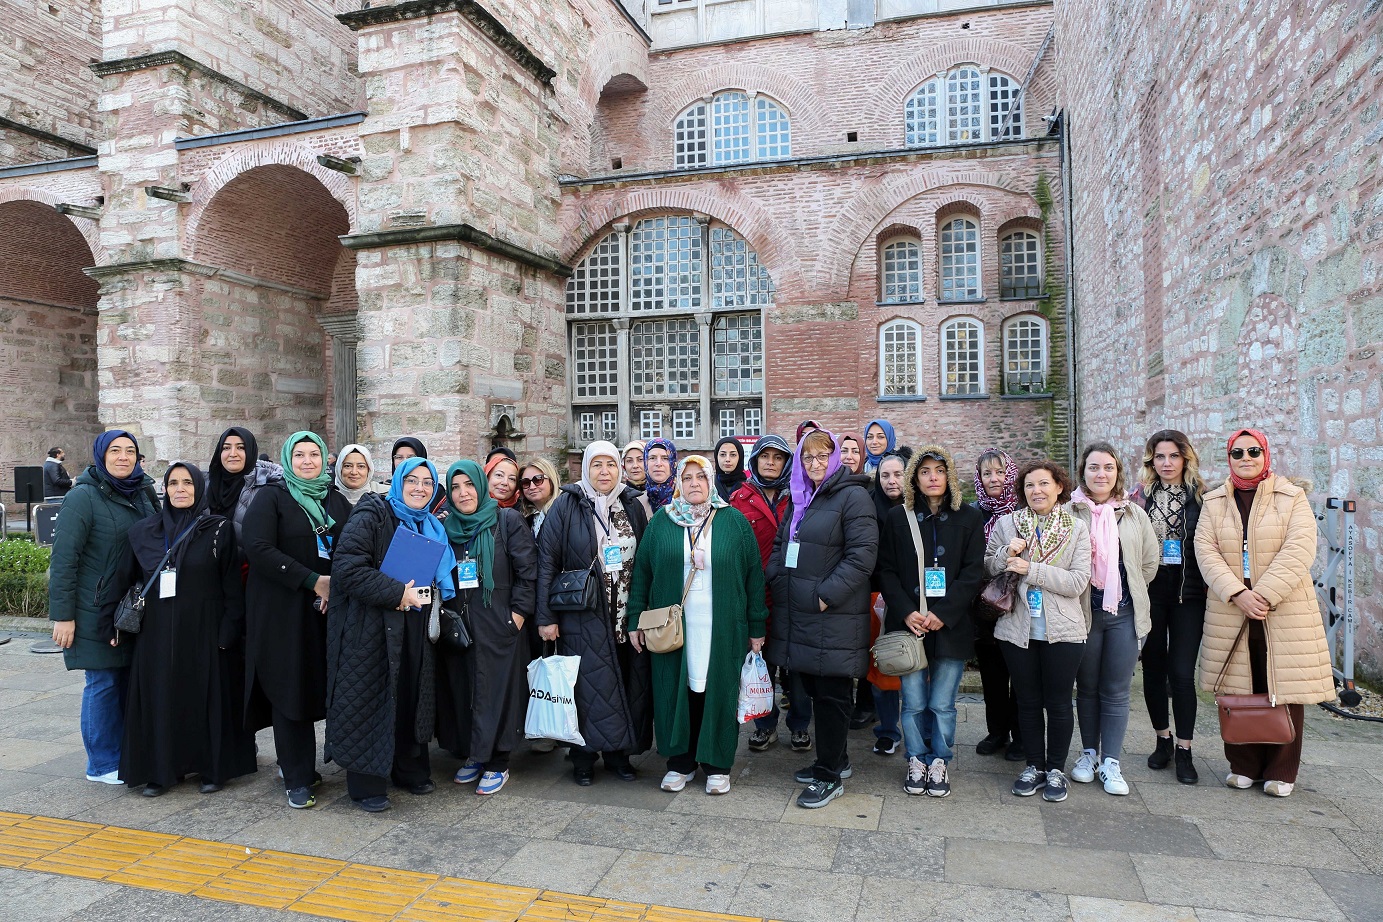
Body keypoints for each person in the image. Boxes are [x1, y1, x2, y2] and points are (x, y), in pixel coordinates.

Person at [1195, 429, 1334, 797]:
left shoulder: (1292, 497)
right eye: (1237, 452)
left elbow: (1300, 549)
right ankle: (1243, 766)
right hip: (1232, 609)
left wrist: (1264, 595)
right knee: (1238, 689)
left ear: (1265, 454)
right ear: (1229, 458)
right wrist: (1237, 593)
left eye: (1253, 451)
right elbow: (1205, 550)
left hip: (1283, 609)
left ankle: (1282, 771)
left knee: (1283, 688)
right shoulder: (1213, 502)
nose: (1246, 457)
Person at [112, 462, 256, 797]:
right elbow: (125, 581)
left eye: (188, 483)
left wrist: (228, 632)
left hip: (205, 632)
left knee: (205, 699)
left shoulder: (217, 529)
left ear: (198, 488)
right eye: (173, 483)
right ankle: (161, 771)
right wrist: (112, 623)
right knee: (161, 698)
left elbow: (232, 588)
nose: (180, 489)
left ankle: (211, 768)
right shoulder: (144, 532)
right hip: (156, 635)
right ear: (164, 489)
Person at [628, 456, 767, 795]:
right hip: (673, 628)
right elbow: (642, 573)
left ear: (710, 481)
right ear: (678, 483)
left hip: (723, 627)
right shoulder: (663, 522)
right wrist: (634, 619)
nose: (693, 483)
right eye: (687, 478)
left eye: (700, 477)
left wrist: (757, 627)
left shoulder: (733, 522)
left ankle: (718, 764)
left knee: (718, 691)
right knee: (676, 691)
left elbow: (754, 578)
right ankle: (680, 762)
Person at [326, 458, 455, 812]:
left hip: (413, 623)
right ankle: (366, 784)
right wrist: (397, 593)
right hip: (371, 627)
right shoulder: (373, 514)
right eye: (411, 480)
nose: (420, 488)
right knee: (370, 696)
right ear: (397, 482)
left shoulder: (430, 525)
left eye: (427, 482)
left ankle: (408, 768)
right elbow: (348, 570)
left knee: (410, 695)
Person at [766, 429, 878, 809]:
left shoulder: (853, 496)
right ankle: (837, 759)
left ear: (834, 459)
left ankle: (829, 776)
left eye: (822, 457)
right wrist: (778, 577)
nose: (815, 464)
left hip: (831, 615)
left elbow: (862, 555)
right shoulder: (801, 497)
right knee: (813, 688)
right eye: (808, 458)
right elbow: (783, 542)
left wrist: (825, 597)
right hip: (798, 610)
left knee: (831, 695)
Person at [242, 432, 353, 809]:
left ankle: (318, 763)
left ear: (325, 460)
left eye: (314, 455)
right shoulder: (271, 498)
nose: (308, 461)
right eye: (300, 455)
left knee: (321, 685)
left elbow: (352, 547)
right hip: (282, 613)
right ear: (289, 460)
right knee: (290, 688)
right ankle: (297, 776)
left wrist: (335, 587)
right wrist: (312, 582)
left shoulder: (334, 500)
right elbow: (257, 548)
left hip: (327, 610)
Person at [536, 441, 652, 784]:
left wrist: (641, 612)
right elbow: (547, 562)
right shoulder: (567, 505)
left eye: (611, 465)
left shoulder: (631, 505)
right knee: (587, 690)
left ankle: (619, 755)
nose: (605, 472)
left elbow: (644, 562)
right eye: (597, 465)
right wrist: (546, 617)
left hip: (624, 615)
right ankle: (583, 758)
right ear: (585, 468)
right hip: (581, 616)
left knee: (625, 685)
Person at [48, 430, 159, 785]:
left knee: (127, 680)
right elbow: (64, 560)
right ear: (100, 455)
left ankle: (125, 752)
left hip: (133, 608)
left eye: (130, 451)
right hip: (94, 609)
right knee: (103, 681)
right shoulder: (83, 497)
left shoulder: (143, 492)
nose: (123, 457)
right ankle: (101, 763)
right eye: (115, 451)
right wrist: (63, 617)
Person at [878, 446, 986, 797]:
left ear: (950, 475)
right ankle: (916, 757)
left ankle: (939, 759)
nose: (933, 477)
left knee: (941, 702)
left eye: (939, 470)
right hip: (909, 623)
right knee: (912, 701)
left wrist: (944, 613)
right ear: (915, 477)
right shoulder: (898, 518)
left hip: (950, 624)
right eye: (925, 471)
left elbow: (972, 573)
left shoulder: (969, 518)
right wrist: (907, 610)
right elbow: (887, 570)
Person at [985, 460, 1091, 804]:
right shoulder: (1007, 523)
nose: (1037, 491)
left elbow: (1077, 582)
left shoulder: (1076, 528)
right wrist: (1006, 553)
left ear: (1059, 487)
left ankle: (1057, 769)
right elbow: (988, 565)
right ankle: (1033, 766)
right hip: (1017, 628)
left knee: (1059, 702)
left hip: (1064, 630)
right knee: (1027, 702)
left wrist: (1032, 569)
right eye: (1030, 486)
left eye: (1044, 484)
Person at [436, 460, 538, 795]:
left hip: (499, 623)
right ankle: (476, 755)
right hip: (461, 626)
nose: (463, 493)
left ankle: (499, 761)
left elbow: (528, 572)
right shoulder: (446, 527)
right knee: (467, 690)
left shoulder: (505, 520)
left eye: (469, 485)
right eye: (455, 487)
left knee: (500, 693)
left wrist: (518, 616)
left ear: (481, 486)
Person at [1069, 442, 1159, 796]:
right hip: (1083, 611)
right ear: (1083, 473)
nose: (1101, 474)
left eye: (1108, 467)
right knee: (1087, 687)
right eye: (1093, 467)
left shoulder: (1135, 514)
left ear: (1118, 472)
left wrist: (1123, 587)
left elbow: (1149, 563)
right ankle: (1088, 754)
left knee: (1117, 690)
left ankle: (1111, 762)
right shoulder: (1069, 512)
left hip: (1124, 613)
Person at [1132, 430, 1207, 783]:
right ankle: (1162, 739)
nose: (1166, 464)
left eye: (1173, 456)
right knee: (1154, 670)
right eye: (1159, 457)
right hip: (1150, 591)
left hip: (1188, 593)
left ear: (1185, 459)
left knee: (1181, 673)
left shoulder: (1202, 497)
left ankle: (1185, 749)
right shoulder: (1140, 498)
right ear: (1151, 461)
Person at [730, 435, 811, 754]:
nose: (771, 463)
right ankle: (765, 726)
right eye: (765, 457)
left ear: (786, 463)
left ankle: (800, 726)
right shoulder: (739, 498)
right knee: (760, 668)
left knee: (798, 671)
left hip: (794, 597)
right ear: (755, 461)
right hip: (757, 597)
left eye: (778, 458)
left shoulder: (801, 496)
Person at [972, 449, 1023, 761]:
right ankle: (997, 732)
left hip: (1018, 604)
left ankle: (1021, 734)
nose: (994, 479)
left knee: (1019, 673)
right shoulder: (972, 513)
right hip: (984, 605)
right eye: (987, 473)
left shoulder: (1023, 510)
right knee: (991, 673)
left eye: (999, 472)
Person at [863, 449, 911, 756]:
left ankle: (918, 728)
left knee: (916, 666)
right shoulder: (869, 507)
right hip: (877, 594)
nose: (891, 481)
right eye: (885, 475)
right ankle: (888, 729)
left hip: (914, 597)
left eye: (897, 474)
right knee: (882, 664)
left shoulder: (918, 508)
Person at [207, 427, 283, 538]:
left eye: (240, 447)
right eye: (226, 447)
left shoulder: (267, 487)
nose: (233, 454)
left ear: (250, 450)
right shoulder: (203, 484)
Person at [518, 457, 560, 536]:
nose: (532, 487)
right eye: (526, 482)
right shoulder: (525, 518)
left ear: (551, 481)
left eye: (538, 480)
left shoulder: (565, 510)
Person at [638, 438, 677, 518]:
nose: (658, 464)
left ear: (673, 463)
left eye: (665, 458)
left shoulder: (685, 499)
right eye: (652, 458)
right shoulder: (636, 502)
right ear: (646, 463)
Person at [712, 437, 747, 502]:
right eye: (723, 454)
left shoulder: (749, 487)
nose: (727, 459)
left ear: (740, 457)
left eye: (733, 455)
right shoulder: (709, 485)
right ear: (716, 457)